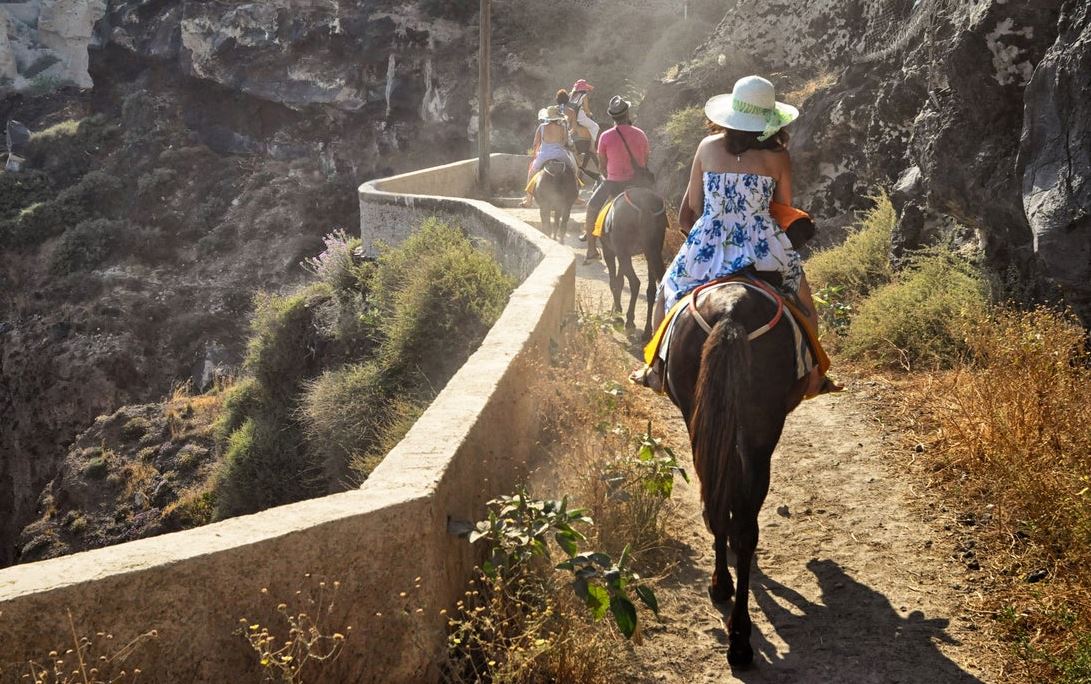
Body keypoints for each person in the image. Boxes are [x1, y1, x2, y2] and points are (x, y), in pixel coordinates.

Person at [640, 75, 839, 397]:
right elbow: (783, 206)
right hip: (764, 242)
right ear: (768, 118)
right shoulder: (778, 156)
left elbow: (693, 204)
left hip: (709, 238)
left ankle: (655, 369)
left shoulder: (707, 147)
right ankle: (815, 376)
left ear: (732, 114)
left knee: (666, 291)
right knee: (804, 302)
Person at [580, 95, 650, 262]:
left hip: (613, 184)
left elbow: (602, 165)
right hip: (638, 183)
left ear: (612, 116)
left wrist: (609, 173)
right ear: (628, 114)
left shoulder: (605, 136)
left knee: (592, 208)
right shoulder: (640, 134)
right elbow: (645, 160)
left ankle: (591, 250)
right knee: (657, 207)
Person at [521, 101, 576, 208]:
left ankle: (528, 200)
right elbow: (565, 142)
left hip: (544, 155)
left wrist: (536, 153)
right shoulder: (563, 127)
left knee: (531, 172)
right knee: (573, 171)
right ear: (557, 117)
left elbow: (535, 144)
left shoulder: (541, 127)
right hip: (561, 154)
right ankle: (576, 196)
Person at [566, 79, 600, 181]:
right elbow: (586, 109)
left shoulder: (571, 95)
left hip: (571, 118)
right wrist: (590, 114)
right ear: (584, 89)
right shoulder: (584, 96)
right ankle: (593, 147)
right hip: (580, 117)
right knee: (595, 127)